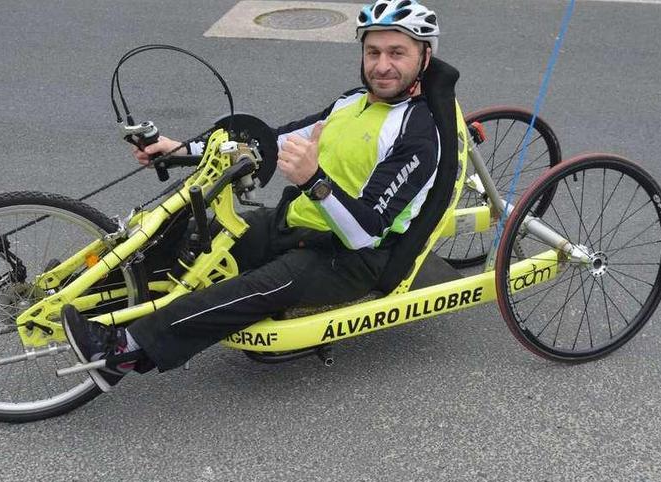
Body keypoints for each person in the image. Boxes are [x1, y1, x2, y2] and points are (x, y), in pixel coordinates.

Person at [62, 0, 445, 392]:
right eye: (373, 52)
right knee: (193, 235)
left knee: (253, 288)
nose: (382, 65)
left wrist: (314, 181)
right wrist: (180, 150)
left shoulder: (418, 134)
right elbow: (273, 140)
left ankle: (122, 350)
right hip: (294, 224)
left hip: (350, 257)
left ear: (424, 57)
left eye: (397, 53)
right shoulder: (352, 101)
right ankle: (83, 299)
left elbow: (366, 233)